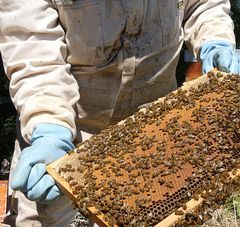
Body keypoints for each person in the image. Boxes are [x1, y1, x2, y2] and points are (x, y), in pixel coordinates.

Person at [0, 0, 239, 226]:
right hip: (68, 127)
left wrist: (215, 39)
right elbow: (32, 45)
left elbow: (202, 6)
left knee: (152, 211)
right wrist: (49, 124)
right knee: (38, 217)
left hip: (158, 126)